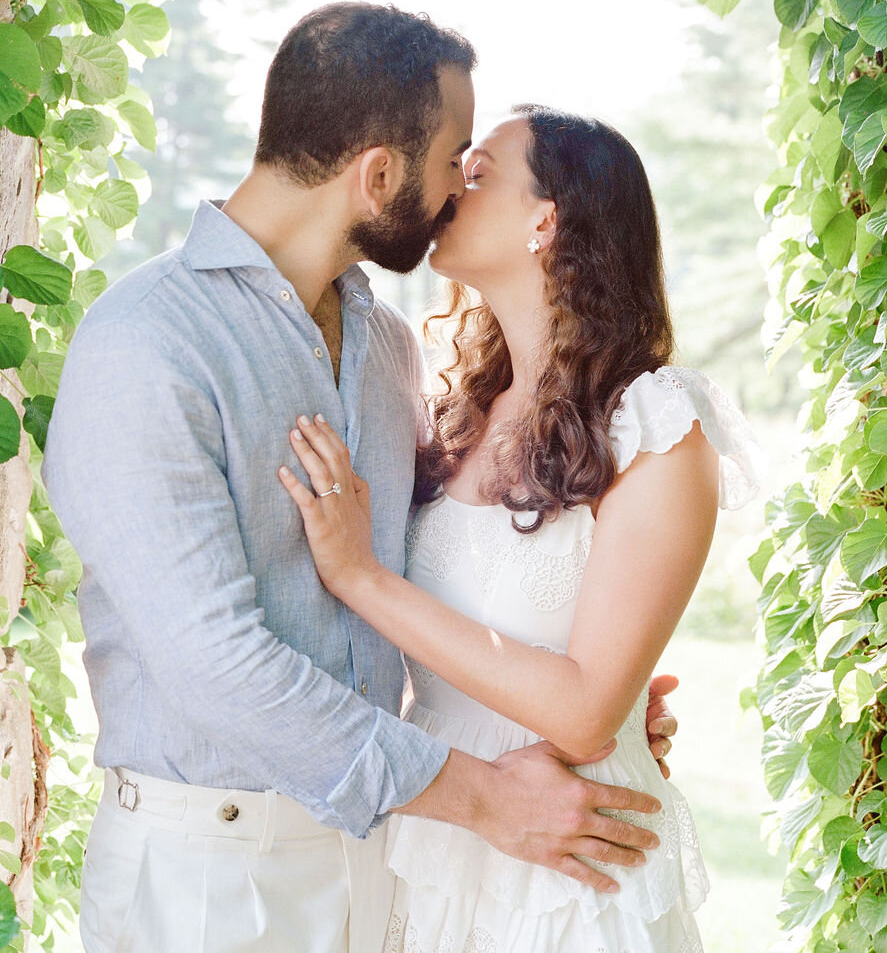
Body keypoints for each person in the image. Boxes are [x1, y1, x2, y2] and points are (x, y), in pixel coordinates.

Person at [42, 4, 680, 953]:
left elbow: (420, 592)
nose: (458, 187)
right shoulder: (145, 344)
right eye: (452, 159)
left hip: (388, 863)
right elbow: (217, 665)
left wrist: (586, 701)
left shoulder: (383, 347)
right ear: (379, 175)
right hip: (211, 878)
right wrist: (487, 798)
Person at [280, 103, 767, 952]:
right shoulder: (460, 410)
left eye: (478, 175)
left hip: (566, 866)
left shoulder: (655, 422)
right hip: (440, 832)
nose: (447, 190)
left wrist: (360, 576)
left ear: (546, 220)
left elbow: (582, 715)